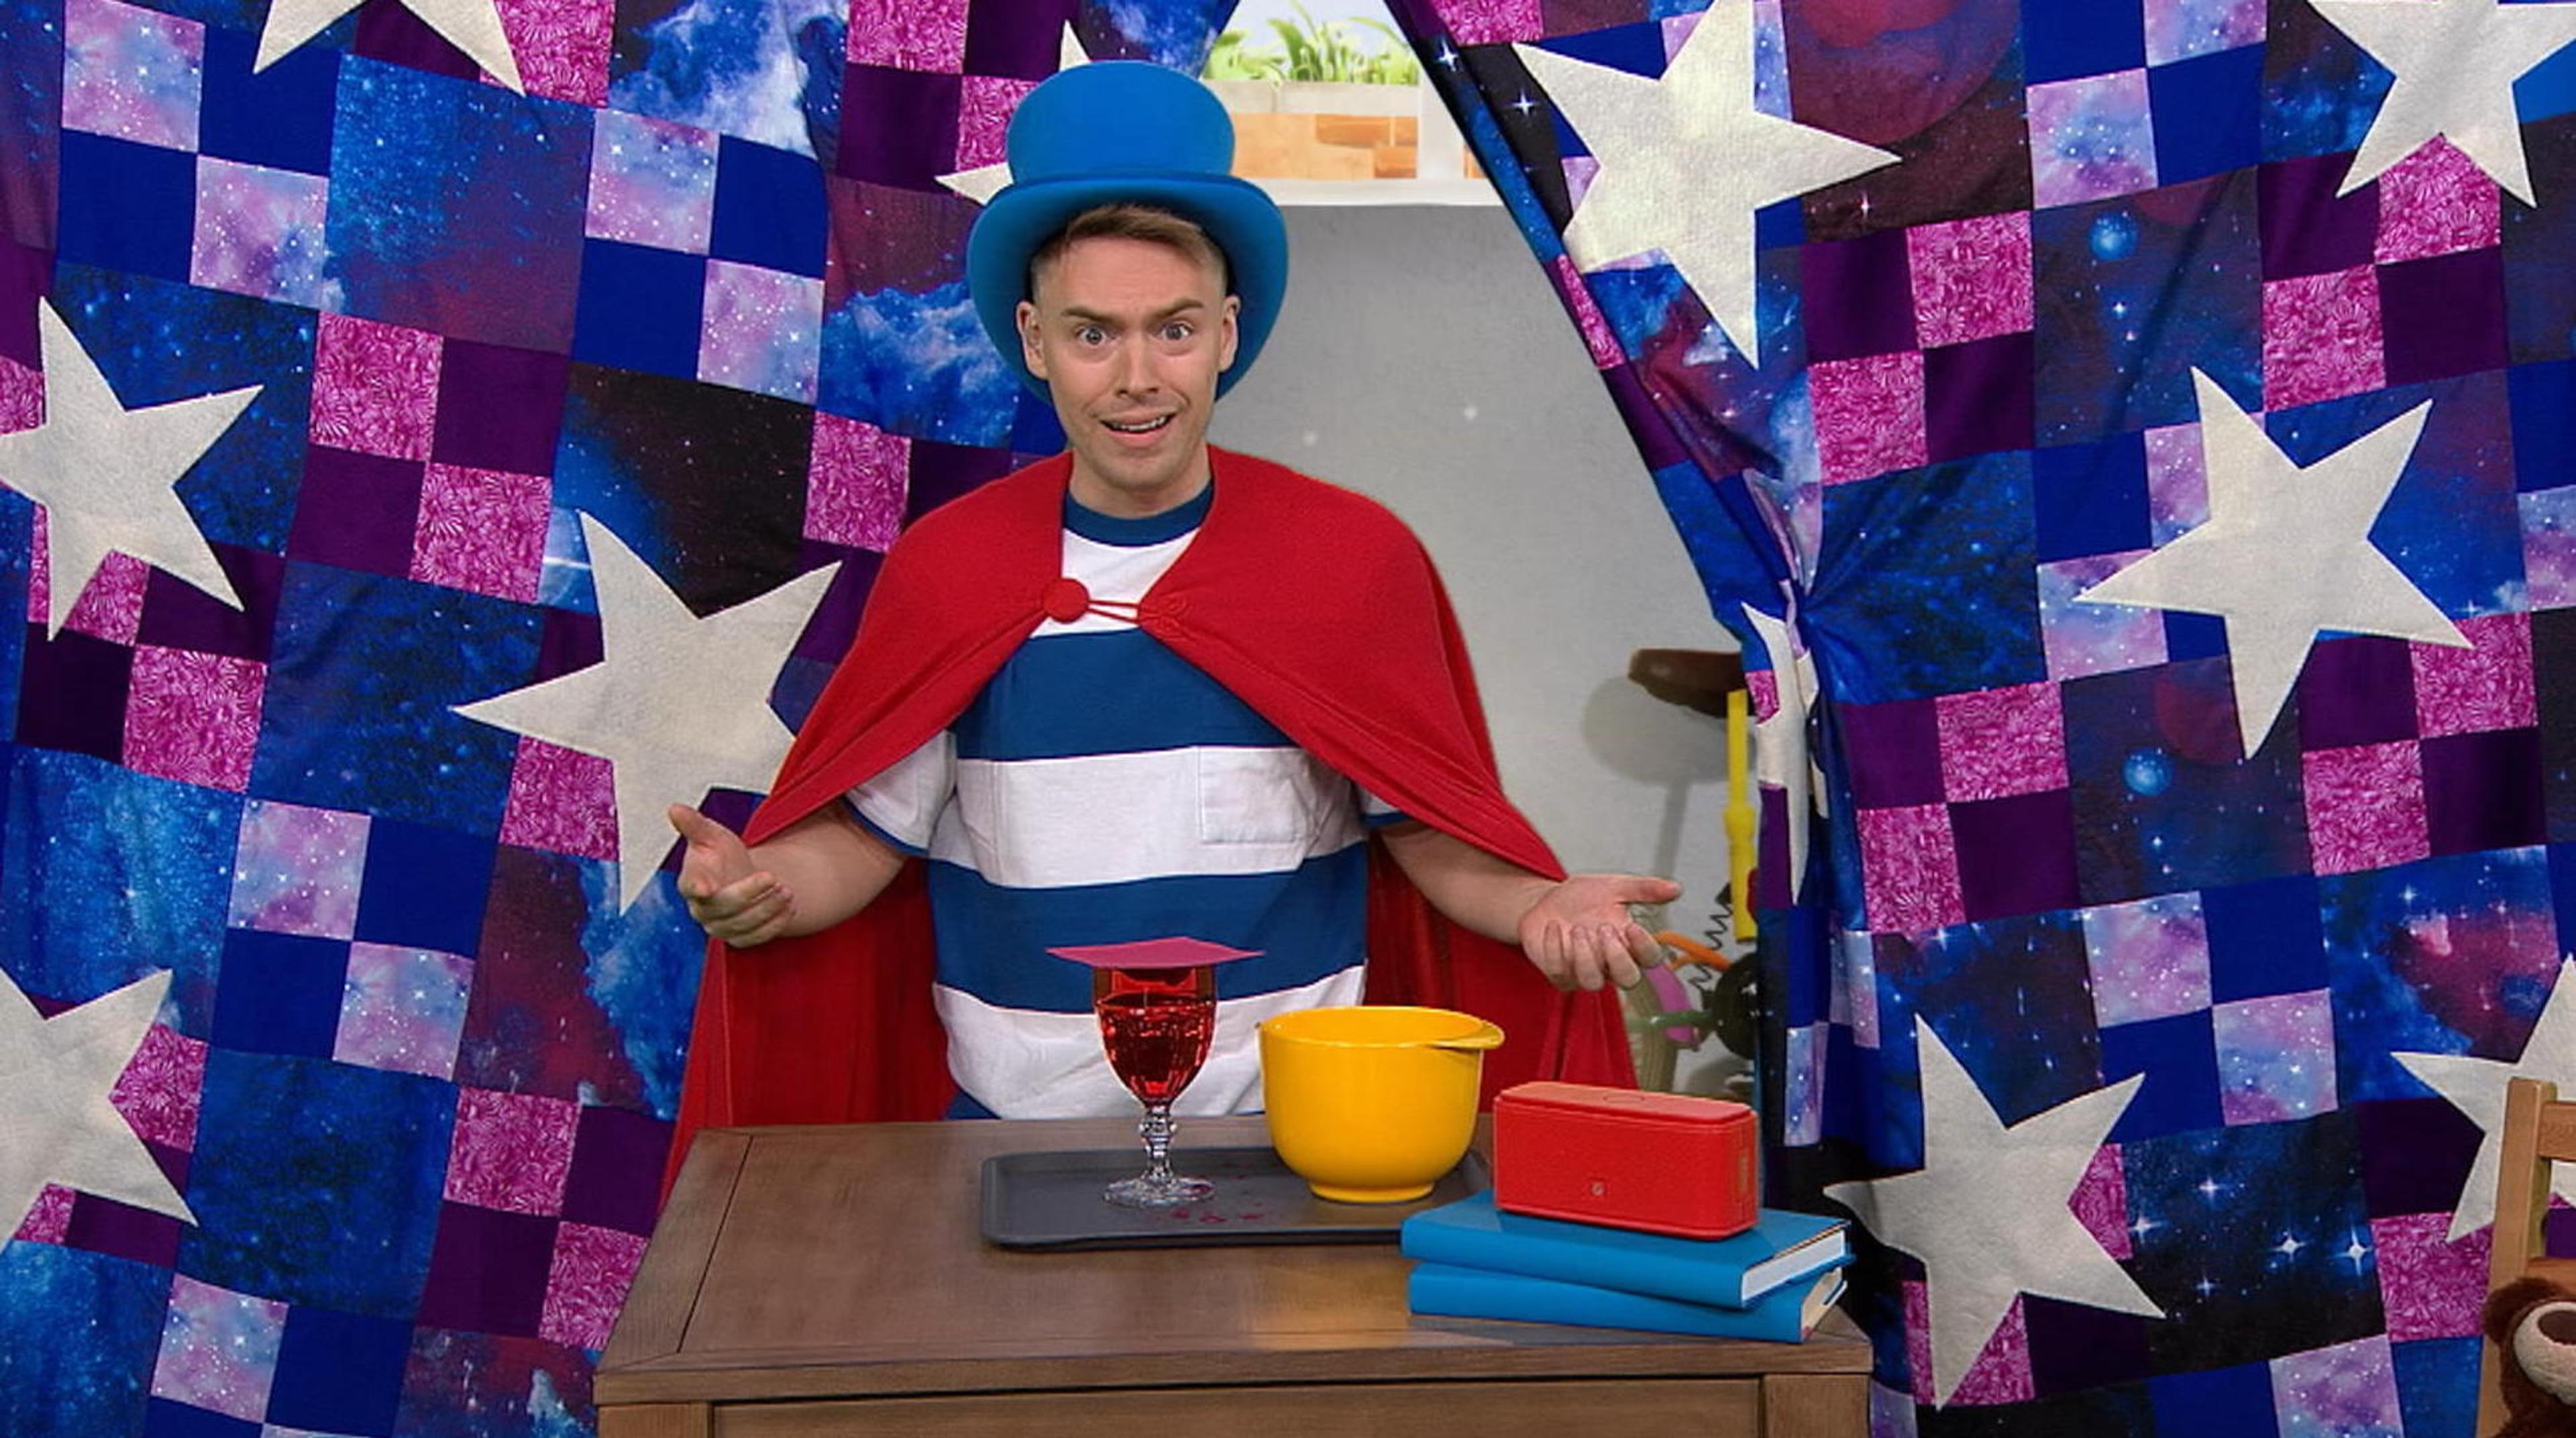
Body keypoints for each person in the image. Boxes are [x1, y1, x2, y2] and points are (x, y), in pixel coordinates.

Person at [661, 62, 1677, 1150]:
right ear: (1036, 341)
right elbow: (866, 846)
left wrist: (1539, 905)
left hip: (1289, 1139)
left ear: (1227, 334)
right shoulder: (951, 568)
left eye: (1175, 330)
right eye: (1094, 334)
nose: (1137, 375)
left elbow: (1429, 837)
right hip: (1011, 1137)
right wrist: (764, 885)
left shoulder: (1347, 560)